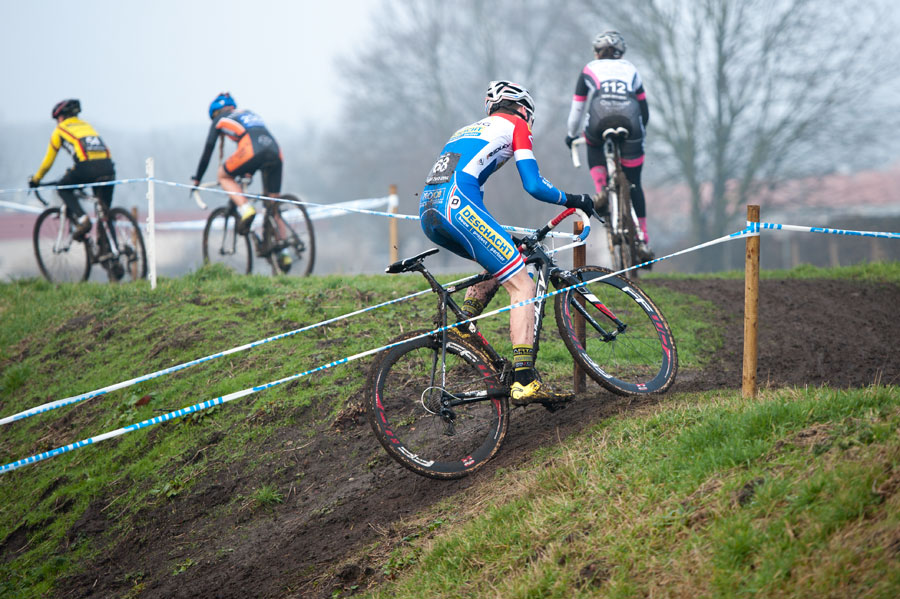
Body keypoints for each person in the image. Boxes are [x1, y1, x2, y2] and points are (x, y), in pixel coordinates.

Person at [420, 80, 595, 406]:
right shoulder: (516, 124)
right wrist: (574, 199)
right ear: (524, 109)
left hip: (430, 210)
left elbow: (465, 183)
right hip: (457, 205)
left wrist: (502, 237)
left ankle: (464, 327)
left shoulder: (465, 131)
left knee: (502, 257)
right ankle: (525, 380)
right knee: (523, 285)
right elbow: (534, 185)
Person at [565, 31, 653, 262]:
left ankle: (602, 190)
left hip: (599, 118)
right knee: (635, 183)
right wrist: (639, 135)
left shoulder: (589, 68)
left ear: (597, 52)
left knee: (592, 143)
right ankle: (643, 237)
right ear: (620, 53)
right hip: (630, 121)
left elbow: (577, 109)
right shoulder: (631, 69)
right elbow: (644, 110)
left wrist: (571, 135)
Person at [192, 93, 291, 270]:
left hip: (252, 149)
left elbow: (208, 152)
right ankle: (284, 252)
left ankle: (245, 208)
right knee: (273, 205)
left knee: (223, 175)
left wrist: (197, 178)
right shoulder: (248, 113)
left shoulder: (219, 120)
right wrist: (248, 172)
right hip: (275, 151)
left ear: (215, 113)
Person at [29, 99, 116, 241]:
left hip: (87, 167)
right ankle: (111, 248)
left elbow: (48, 162)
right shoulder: (86, 126)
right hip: (108, 167)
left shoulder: (60, 130)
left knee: (63, 187)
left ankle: (83, 219)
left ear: (61, 117)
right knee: (104, 213)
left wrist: (36, 179)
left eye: (57, 119)